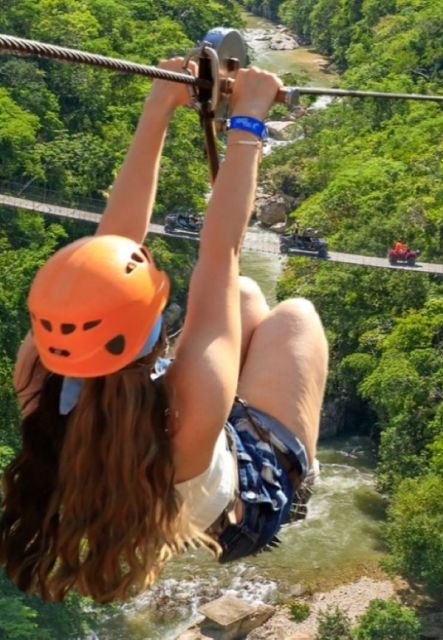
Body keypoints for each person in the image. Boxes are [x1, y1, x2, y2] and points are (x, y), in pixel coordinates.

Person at [0, 59, 328, 604]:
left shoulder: (40, 366)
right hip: (238, 512)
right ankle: (295, 485)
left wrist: (159, 106)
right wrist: (247, 121)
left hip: (160, 483)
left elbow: (117, 245)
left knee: (245, 294)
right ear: (153, 340)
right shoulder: (189, 408)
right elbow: (217, 252)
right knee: (297, 316)